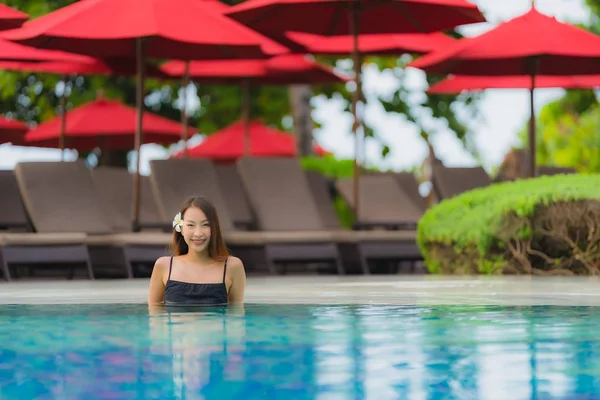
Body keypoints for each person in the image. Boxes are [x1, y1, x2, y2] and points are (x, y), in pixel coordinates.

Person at [148, 195, 246, 306]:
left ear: (214, 229)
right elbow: (154, 314)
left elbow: (237, 315)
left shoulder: (232, 266)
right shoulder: (164, 265)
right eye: (190, 225)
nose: (198, 233)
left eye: (205, 225)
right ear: (181, 229)